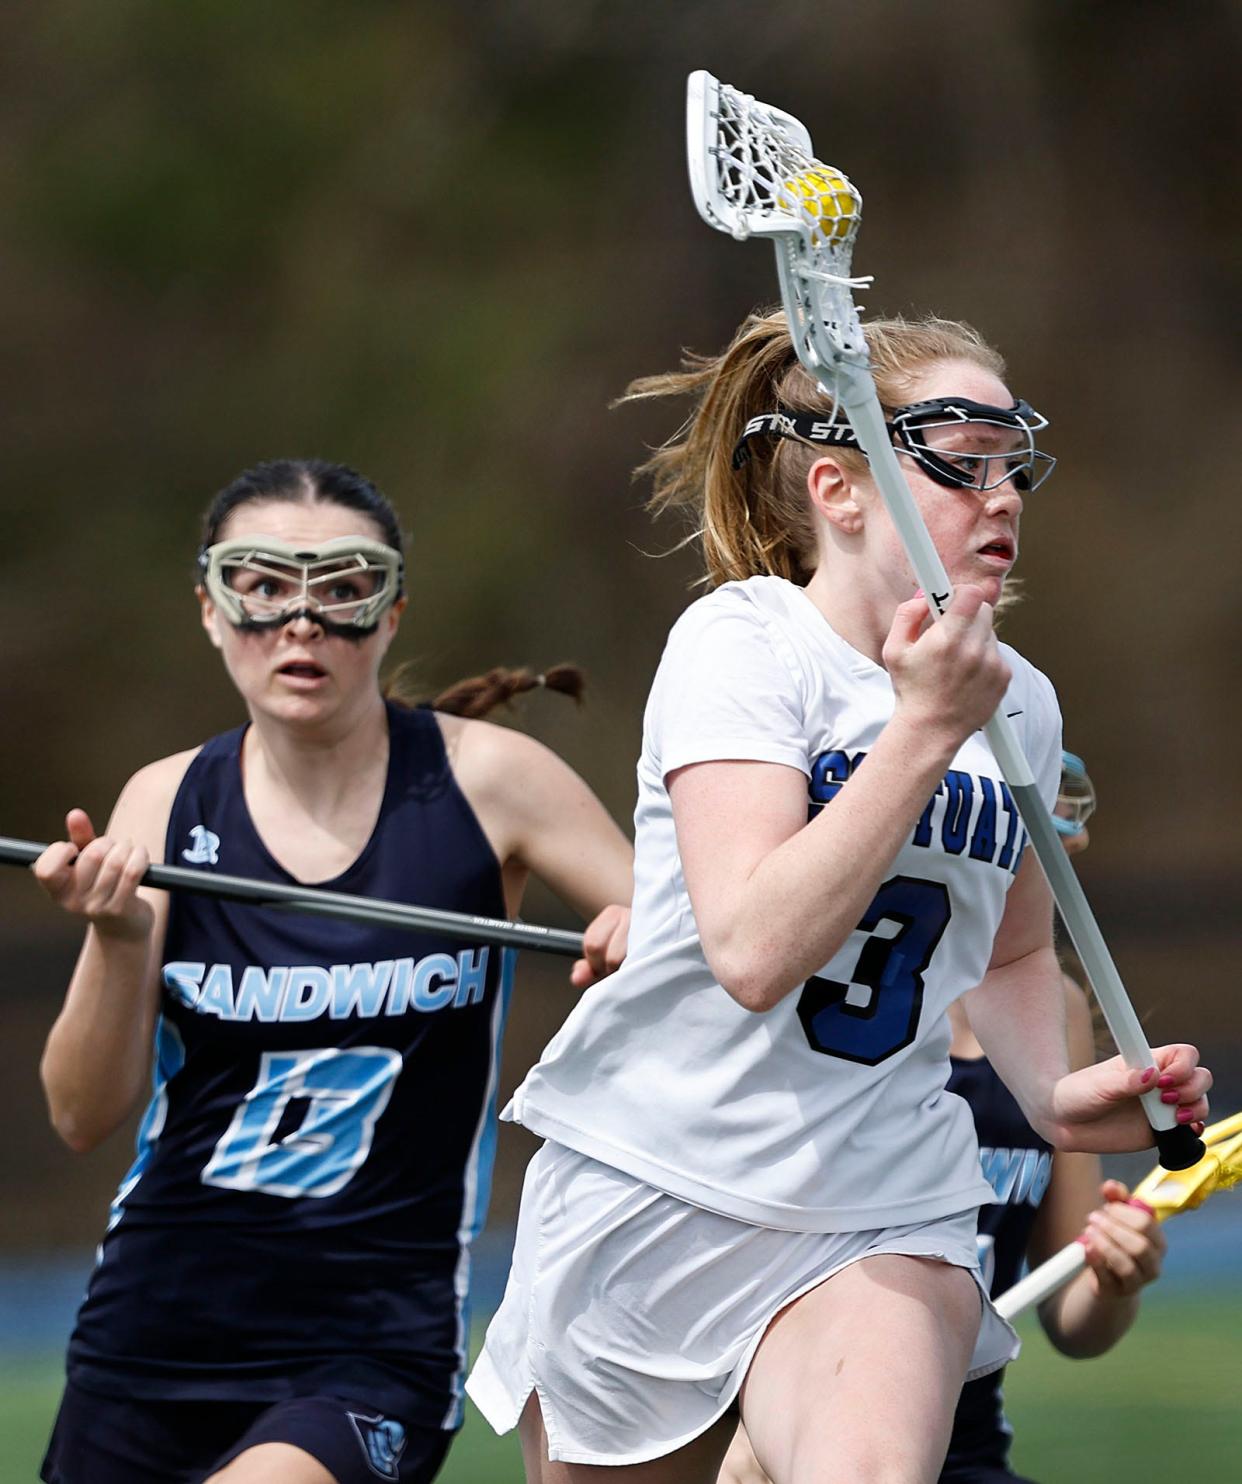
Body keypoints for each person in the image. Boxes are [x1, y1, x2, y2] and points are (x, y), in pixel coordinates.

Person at [463, 312, 1209, 1484]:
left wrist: (1061, 1095)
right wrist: (921, 729)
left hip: (880, 1191)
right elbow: (756, 949)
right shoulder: (744, 645)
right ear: (841, 490)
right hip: (658, 1180)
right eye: (961, 459)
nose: (1002, 492)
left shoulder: (1022, 701)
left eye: (1015, 462)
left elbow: (1009, 961)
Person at [32, 458, 634, 1484]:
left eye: (343, 586)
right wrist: (119, 938)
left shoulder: (491, 781)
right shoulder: (165, 799)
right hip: (149, 1331)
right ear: (212, 612)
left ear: (391, 614)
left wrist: (640, 937)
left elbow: (721, 955)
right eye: (261, 585)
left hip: (372, 1340)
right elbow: (81, 1114)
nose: (300, 620)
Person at [716, 751, 1167, 1484]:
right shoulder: (829, 996)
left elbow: (1070, 1319)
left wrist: (1116, 1278)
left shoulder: (1056, 1012)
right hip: (784, 1448)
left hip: (967, 1456)